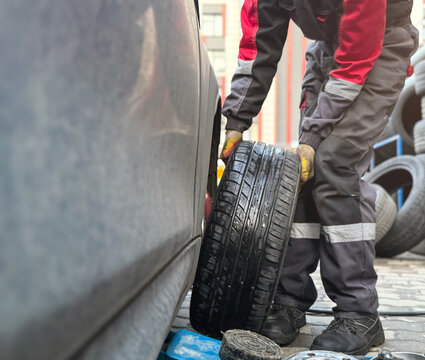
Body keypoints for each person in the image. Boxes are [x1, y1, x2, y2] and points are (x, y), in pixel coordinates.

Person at [220, 0, 418, 355]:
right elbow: (257, 47)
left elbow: (357, 59)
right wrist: (237, 118)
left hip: (379, 48)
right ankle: (289, 301)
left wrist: (312, 138)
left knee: (333, 165)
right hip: (329, 49)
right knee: (303, 172)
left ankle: (359, 313)